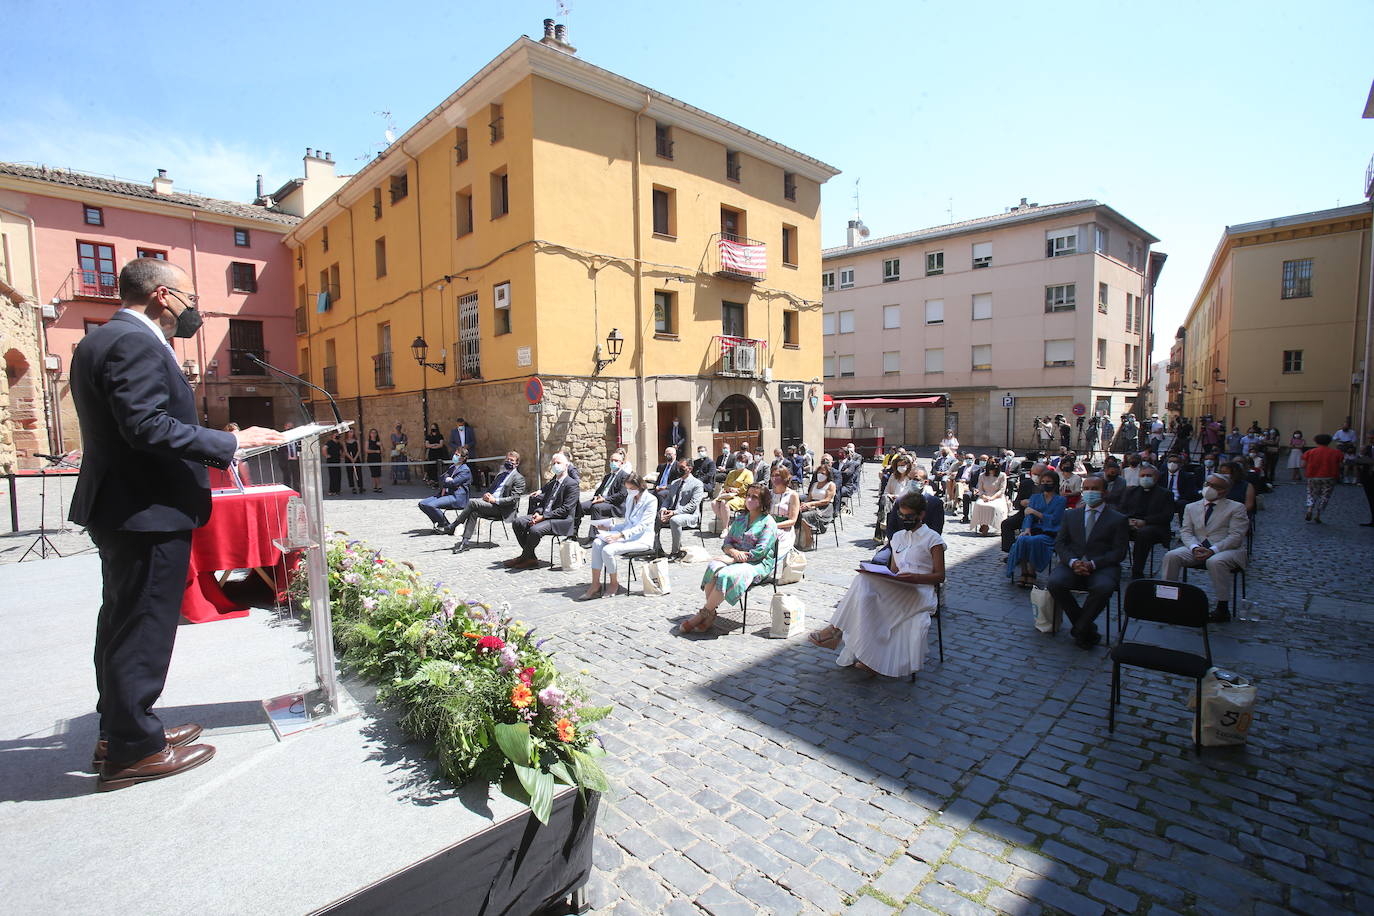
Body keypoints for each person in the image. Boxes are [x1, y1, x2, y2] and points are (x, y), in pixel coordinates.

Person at [68, 256, 282, 790]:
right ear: (163, 296)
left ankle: (122, 729)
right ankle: (132, 750)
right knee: (142, 627)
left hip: (127, 506)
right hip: (145, 510)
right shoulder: (134, 341)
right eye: (190, 298)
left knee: (122, 622)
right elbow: (146, 426)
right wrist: (232, 442)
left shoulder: (102, 339)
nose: (194, 311)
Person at [807, 492, 946, 677]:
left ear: (921, 515)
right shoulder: (898, 537)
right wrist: (889, 577)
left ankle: (835, 631)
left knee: (866, 589)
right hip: (900, 586)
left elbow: (940, 576)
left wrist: (915, 577)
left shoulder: (933, 539)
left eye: (909, 516)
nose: (904, 519)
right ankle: (864, 653)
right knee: (864, 585)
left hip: (920, 591)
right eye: (901, 516)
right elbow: (894, 570)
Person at [682, 484, 778, 633]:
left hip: (757, 563)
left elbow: (760, 552)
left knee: (725, 574)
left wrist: (734, 559)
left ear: (763, 501)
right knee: (713, 566)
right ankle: (711, 613)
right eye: (748, 495)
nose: (749, 499)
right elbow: (727, 542)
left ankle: (703, 614)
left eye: (755, 497)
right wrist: (732, 552)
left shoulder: (768, 523)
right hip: (736, 556)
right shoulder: (741, 518)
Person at [1047, 476, 1129, 648]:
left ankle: (1080, 628)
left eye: (1095, 489)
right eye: (1086, 488)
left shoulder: (1118, 519)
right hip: (1072, 564)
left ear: (1105, 492)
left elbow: (1119, 552)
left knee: (1103, 587)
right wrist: (1073, 562)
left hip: (1102, 567)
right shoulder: (1071, 515)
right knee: (1055, 583)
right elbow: (1060, 543)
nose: (1089, 492)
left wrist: (1093, 564)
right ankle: (1085, 626)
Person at [1162, 473, 1249, 621]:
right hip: (1198, 547)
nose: (1209, 488)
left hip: (1226, 549)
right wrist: (1194, 547)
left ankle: (1222, 607)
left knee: (1215, 561)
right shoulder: (1191, 507)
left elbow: (1236, 536)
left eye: (1214, 486)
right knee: (1172, 556)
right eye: (1207, 484)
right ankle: (1167, 599)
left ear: (1225, 490)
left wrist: (1213, 550)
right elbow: (1186, 531)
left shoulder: (1236, 508)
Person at [580, 473, 657, 599]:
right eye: (627, 489)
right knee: (597, 543)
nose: (629, 492)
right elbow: (627, 524)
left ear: (640, 486)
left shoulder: (651, 500)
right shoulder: (630, 499)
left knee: (608, 550)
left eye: (631, 489)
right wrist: (609, 528)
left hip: (642, 539)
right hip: (627, 536)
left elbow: (642, 526)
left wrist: (619, 535)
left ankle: (614, 583)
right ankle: (595, 584)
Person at [507, 453, 578, 568]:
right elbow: (545, 502)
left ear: (566, 466)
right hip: (545, 515)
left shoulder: (572, 484)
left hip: (560, 519)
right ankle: (531, 557)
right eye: (553, 463)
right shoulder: (552, 483)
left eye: (558, 463)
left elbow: (565, 509)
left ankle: (523, 557)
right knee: (518, 522)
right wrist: (537, 512)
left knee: (535, 530)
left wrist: (543, 517)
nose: (555, 465)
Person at [451, 451, 527, 552]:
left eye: (511, 460)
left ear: (517, 463)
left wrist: (495, 500)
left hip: (503, 509)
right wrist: (487, 495)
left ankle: (453, 526)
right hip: (490, 504)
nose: (508, 461)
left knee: (472, 503)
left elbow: (514, 499)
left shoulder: (519, 478)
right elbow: (491, 489)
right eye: (507, 459)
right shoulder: (501, 475)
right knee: (474, 512)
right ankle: (465, 542)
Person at [1006, 470, 1067, 587]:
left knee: (1035, 541)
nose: (1045, 484)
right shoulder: (1035, 498)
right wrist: (1027, 529)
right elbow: (1028, 516)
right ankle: (1024, 572)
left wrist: (1036, 512)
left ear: (1055, 483)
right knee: (1022, 539)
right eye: (1043, 481)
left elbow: (1055, 519)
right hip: (1033, 529)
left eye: (1048, 481)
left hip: (1050, 532)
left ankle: (1032, 572)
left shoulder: (1061, 500)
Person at [1119, 465, 1175, 579]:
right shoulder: (1131, 492)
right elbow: (1121, 510)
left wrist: (1145, 522)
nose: (1145, 478)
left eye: (1149, 476)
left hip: (1155, 527)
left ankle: (1137, 570)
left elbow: (1167, 516)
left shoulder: (1165, 494)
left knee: (1144, 534)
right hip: (1131, 524)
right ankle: (1113, 563)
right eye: (1143, 475)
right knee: (1115, 529)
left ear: (1156, 477)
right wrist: (1128, 520)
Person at [655, 456, 704, 559]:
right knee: (655, 517)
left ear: (689, 469)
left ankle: (675, 551)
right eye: (678, 467)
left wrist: (675, 512)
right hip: (672, 512)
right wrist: (663, 509)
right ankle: (657, 548)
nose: (678, 469)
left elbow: (692, 505)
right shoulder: (674, 483)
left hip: (690, 515)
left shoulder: (697, 484)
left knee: (675, 520)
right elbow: (668, 499)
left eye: (681, 467)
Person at [578, 450, 630, 541]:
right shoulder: (607, 476)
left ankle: (594, 537)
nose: (613, 463)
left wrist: (604, 499)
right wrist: (596, 497)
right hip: (600, 500)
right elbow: (599, 490)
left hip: (615, 504)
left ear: (621, 463)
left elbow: (621, 495)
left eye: (616, 461)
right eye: (612, 460)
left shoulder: (624, 476)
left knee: (597, 507)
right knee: (579, 506)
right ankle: (573, 534)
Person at [419, 446, 472, 532]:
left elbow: (454, 483)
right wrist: (448, 480)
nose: (454, 456)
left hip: (456, 497)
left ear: (462, 458)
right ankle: (440, 523)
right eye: (455, 454)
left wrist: (448, 481)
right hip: (445, 494)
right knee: (423, 504)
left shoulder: (465, 470)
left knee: (431, 505)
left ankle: (446, 526)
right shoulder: (452, 467)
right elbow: (442, 478)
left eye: (457, 455)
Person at [1002, 462, 1046, 551]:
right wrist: (1022, 502)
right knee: (1006, 524)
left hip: (1041, 516)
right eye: (1034, 474)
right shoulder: (1026, 484)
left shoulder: (1049, 484)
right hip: (1024, 514)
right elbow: (1016, 502)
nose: (1036, 477)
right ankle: (1011, 551)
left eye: (1039, 474)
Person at [1301, 433, 1344, 523]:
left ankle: (1309, 509)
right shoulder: (1336, 453)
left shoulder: (1310, 452)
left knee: (1311, 494)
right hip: (1329, 477)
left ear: (1316, 441)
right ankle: (1318, 515)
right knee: (1325, 496)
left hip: (1313, 476)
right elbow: (1340, 465)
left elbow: (1303, 465)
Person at [711, 453, 754, 532]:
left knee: (724, 503)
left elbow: (747, 487)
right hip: (728, 495)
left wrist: (736, 490)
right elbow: (725, 485)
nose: (740, 463)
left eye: (742, 462)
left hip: (741, 497)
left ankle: (725, 528)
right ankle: (727, 523)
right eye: (738, 461)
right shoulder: (731, 473)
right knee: (714, 503)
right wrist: (730, 489)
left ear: (746, 463)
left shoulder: (748, 473)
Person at [798, 462, 836, 549]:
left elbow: (827, 500)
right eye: (819, 473)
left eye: (823, 473)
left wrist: (811, 504)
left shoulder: (830, 485)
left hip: (824, 509)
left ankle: (809, 540)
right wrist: (804, 504)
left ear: (828, 475)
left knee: (804, 516)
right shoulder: (815, 484)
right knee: (797, 513)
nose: (820, 475)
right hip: (813, 506)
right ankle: (798, 539)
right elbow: (809, 498)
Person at [969, 457, 1008, 535]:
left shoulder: (1002, 475)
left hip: (997, 497)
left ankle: (996, 525)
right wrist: (984, 497)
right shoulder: (982, 475)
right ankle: (983, 525)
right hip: (985, 495)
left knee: (994, 507)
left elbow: (1001, 490)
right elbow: (980, 489)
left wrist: (992, 498)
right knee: (979, 505)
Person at [769, 465, 801, 558]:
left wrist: (775, 526)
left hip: (784, 529)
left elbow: (792, 520)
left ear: (784, 478)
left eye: (777, 475)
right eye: (773, 475)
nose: (774, 478)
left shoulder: (792, 495)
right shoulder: (769, 493)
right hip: (768, 527)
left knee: (778, 550)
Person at [1161, 453, 1200, 519]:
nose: (1172, 464)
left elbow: (1190, 492)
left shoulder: (1188, 477)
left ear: (1180, 464)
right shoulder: (1161, 476)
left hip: (1180, 500)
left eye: (1175, 462)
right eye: (1170, 462)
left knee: (1183, 504)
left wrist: (1176, 499)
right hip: (1164, 499)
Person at [1356, 433, 1374, 526]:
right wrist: (1361, 454)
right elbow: (1359, 461)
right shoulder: (1368, 448)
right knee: (1371, 499)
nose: (1370, 440)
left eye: (1372, 438)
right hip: (1369, 477)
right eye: (1370, 438)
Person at [341, 428, 363, 494]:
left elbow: (359, 450)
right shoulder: (344, 441)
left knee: (358, 472)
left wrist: (355, 458)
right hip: (348, 458)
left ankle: (360, 486)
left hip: (356, 457)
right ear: (347, 433)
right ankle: (353, 487)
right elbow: (345, 451)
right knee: (350, 473)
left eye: (352, 432)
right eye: (349, 432)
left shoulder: (356, 441)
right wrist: (351, 458)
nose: (351, 433)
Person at [364, 427, 384, 493]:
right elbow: (366, 450)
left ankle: (376, 486)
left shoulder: (378, 442)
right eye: (372, 432)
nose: (373, 434)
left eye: (375, 432)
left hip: (378, 458)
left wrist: (381, 445)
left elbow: (382, 451)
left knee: (378, 472)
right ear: (370, 434)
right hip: (371, 459)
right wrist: (375, 451)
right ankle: (378, 485)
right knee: (373, 473)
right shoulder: (368, 442)